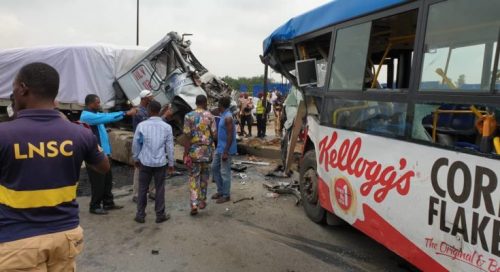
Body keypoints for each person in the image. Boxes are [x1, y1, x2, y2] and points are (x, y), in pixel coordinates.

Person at [0, 62, 110, 270]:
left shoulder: (4, 134)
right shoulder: (80, 133)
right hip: (65, 236)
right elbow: (103, 166)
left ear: (22, 88)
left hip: (18, 240)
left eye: (13, 88)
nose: (12, 94)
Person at [80, 94, 136, 215]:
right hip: (94, 155)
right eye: (97, 103)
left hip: (103, 154)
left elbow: (106, 116)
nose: (99, 104)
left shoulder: (95, 114)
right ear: (90, 103)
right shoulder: (87, 116)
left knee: (107, 180)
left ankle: (108, 202)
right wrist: (125, 113)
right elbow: (106, 118)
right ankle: (94, 206)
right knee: (98, 182)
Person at [132, 100, 174, 223]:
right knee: (160, 189)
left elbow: (136, 144)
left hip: (145, 161)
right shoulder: (167, 127)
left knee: (142, 189)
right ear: (160, 111)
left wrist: (136, 158)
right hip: (160, 163)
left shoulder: (142, 126)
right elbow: (170, 147)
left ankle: (140, 215)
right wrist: (171, 163)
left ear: (149, 111)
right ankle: (160, 215)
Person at [183, 95, 216, 215]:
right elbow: (214, 135)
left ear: (196, 103)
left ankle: (193, 204)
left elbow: (187, 136)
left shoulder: (188, 116)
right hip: (207, 152)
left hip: (194, 151)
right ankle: (202, 201)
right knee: (204, 176)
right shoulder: (210, 116)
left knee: (193, 177)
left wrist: (185, 153)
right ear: (205, 103)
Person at [211, 96, 237, 203]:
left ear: (221, 105)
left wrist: (226, 151)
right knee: (214, 168)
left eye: (218, 105)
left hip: (226, 149)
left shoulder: (228, 117)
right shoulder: (223, 115)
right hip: (220, 147)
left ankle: (226, 195)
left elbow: (230, 135)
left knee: (225, 172)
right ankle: (220, 190)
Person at [132, 90, 155, 203]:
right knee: (139, 168)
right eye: (151, 97)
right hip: (141, 142)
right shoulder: (139, 111)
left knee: (151, 166)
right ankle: (136, 194)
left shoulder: (146, 110)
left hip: (149, 142)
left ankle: (151, 191)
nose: (153, 98)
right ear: (145, 98)